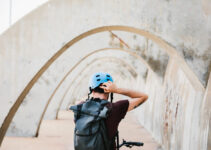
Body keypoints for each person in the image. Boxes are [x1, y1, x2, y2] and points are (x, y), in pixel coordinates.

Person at [71, 72, 148, 150]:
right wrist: (117, 90)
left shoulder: (80, 107)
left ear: (91, 89)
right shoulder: (115, 108)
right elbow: (143, 96)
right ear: (109, 91)